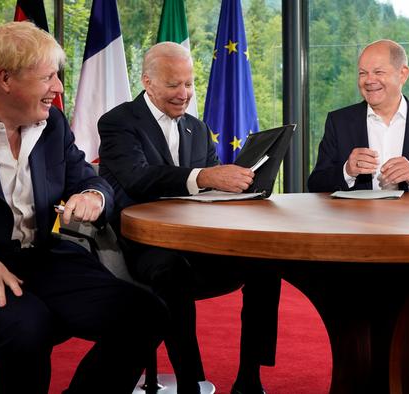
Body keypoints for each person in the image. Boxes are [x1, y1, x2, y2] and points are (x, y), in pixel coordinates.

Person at [0, 22, 167, 394]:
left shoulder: (51, 123)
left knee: (146, 314)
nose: (58, 88)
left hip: (46, 258)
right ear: (5, 78)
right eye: (48, 77)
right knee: (28, 328)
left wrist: (92, 197)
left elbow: (88, 177)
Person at [98, 42, 280, 394]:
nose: (184, 94)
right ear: (147, 82)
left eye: (189, 84)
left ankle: (249, 378)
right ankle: (191, 381)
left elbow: (209, 189)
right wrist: (206, 177)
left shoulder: (197, 128)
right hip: (142, 245)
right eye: (173, 85)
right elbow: (139, 178)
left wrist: (242, 185)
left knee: (265, 263)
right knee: (172, 272)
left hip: (196, 241)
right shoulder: (118, 122)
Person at [307, 39, 409, 391]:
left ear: (403, 74)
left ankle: (408, 359)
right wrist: (346, 171)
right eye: (363, 72)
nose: (369, 80)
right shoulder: (339, 122)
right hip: (353, 248)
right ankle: (368, 369)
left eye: (378, 71)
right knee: (354, 302)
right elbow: (315, 184)